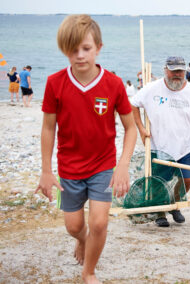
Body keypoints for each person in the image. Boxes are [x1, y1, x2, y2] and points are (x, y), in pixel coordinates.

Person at [35, 15, 137, 284]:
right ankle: (82, 241)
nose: (80, 56)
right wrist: (46, 171)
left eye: (86, 48)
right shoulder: (55, 83)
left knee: (100, 224)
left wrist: (123, 165)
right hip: (69, 167)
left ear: (99, 47)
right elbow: (48, 128)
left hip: (103, 166)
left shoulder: (113, 84)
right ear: (65, 50)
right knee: (74, 227)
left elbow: (131, 128)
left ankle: (88, 272)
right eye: (73, 50)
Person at [131, 56, 190, 227]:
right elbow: (133, 104)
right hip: (159, 147)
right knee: (159, 183)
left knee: (187, 180)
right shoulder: (152, 89)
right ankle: (160, 212)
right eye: (173, 71)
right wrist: (142, 130)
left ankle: (173, 205)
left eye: (180, 71)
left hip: (184, 147)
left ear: (185, 71)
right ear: (165, 70)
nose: (177, 75)